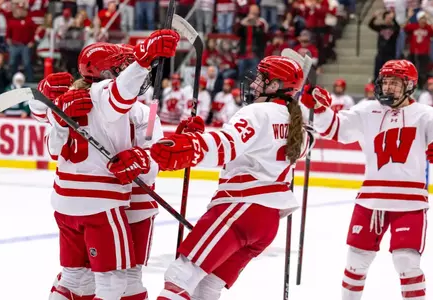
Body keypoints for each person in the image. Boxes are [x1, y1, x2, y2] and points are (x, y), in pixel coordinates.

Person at [28, 30, 179, 300]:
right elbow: (119, 95)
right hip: (110, 200)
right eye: (122, 67)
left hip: (118, 202)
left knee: (81, 277)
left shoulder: (77, 99)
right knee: (119, 280)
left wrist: (145, 158)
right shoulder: (113, 98)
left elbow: (156, 154)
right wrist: (143, 60)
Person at [149, 55, 312, 300]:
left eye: (261, 78)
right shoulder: (296, 122)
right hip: (267, 221)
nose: (255, 82)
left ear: (275, 86)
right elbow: (306, 142)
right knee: (208, 288)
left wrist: (192, 145)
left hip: (240, 207)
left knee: (181, 276)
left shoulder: (257, 112)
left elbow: (228, 145)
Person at [300, 59, 429, 300]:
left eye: (395, 83)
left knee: (407, 262)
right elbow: (336, 129)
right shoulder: (367, 109)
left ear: (410, 86)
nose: (388, 87)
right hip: (370, 198)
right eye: (385, 82)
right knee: (356, 261)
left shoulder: (425, 115)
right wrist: (318, 109)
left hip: (410, 201)